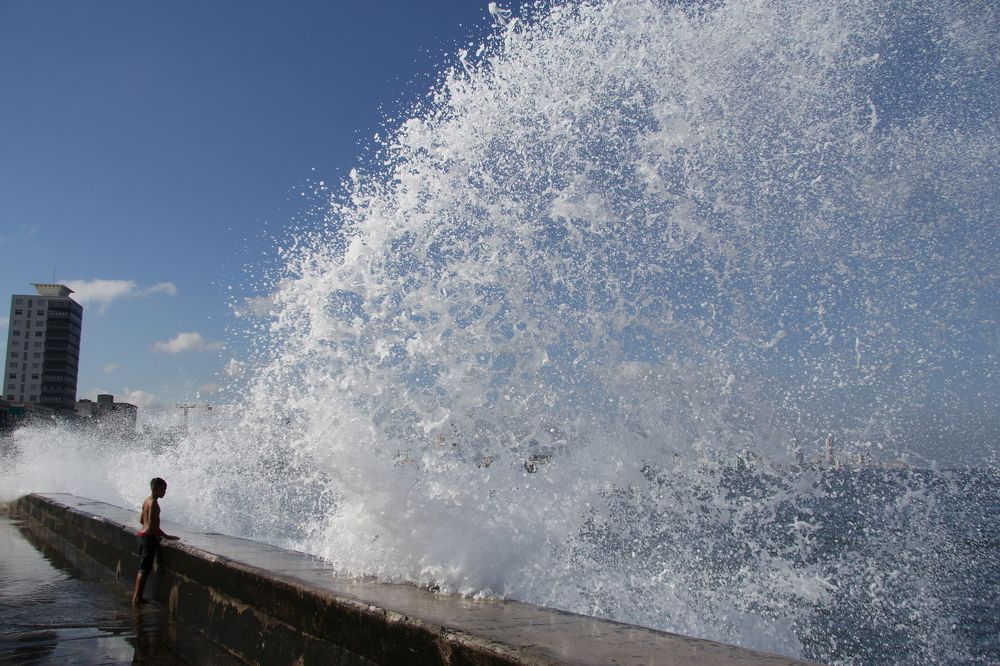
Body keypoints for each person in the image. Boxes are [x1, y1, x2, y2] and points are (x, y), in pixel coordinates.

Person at [132, 477, 179, 605]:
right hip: (148, 538)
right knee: (144, 569)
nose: (164, 492)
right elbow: (153, 526)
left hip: (142, 535)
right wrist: (167, 536)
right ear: (155, 489)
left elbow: (142, 520)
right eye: (163, 489)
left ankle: (137, 597)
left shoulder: (146, 501)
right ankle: (137, 598)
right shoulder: (153, 503)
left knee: (143, 568)